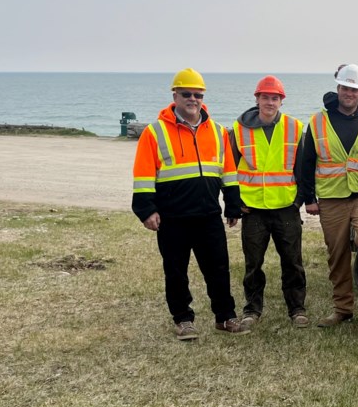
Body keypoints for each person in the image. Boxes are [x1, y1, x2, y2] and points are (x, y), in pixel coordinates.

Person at [131, 68, 248, 340]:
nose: (192, 99)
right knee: (176, 271)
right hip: (173, 218)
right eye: (186, 94)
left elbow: (228, 171)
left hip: (208, 215)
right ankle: (183, 320)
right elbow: (143, 173)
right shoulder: (154, 132)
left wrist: (233, 205)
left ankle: (225, 317)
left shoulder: (218, 131)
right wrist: (146, 210)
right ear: (175, 95)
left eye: (197, 94)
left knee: (219, 269)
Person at [300, 64, 358, 328]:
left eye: (355, 89)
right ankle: (342, 308)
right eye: (346, 88)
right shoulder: (317, 121)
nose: (350, 93)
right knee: (337, 251)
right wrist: (309, 199)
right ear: (338, 88)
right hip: (330, 197)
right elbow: (307, 162)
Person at [230, 75, 308, 329]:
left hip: (286, 207)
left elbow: (303, 168)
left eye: (275, 98)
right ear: (257, 99)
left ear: (281, 102)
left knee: (293, 262)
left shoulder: (295, 128)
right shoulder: (239, 129)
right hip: (253, 209)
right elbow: (228, 168)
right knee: (253, 264)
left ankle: (297, 309)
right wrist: (233, 203)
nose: (270, 102)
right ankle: (252, 309)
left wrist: (298, 201)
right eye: (265, 97)